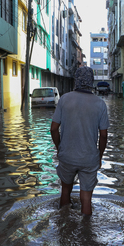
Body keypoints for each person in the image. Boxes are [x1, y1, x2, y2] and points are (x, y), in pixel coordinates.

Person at [50, 66, 109, 215]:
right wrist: (99, 156)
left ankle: (63, 224)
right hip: (89, 158)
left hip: (67, 155)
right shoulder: (100, 104)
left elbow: (53, 129)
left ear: (77, 80)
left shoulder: (64, 99)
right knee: (86, 198)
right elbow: (103, 135)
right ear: (91, 81)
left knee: (65, 191)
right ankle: (86, 231)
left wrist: (59, 148)